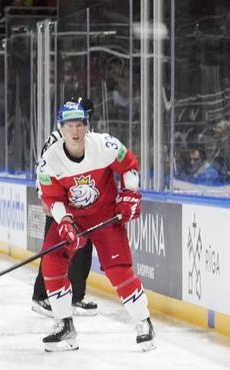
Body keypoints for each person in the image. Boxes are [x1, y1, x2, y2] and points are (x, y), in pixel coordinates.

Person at [37, 99, 153, 352]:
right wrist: (65, 223)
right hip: (74, 218)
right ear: (61, 129)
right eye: (69, 126)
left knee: (118, 269)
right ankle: (64, 326)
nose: (75, 131)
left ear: (87, 126)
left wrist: (130, 194)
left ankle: (144, 322)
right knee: (52, 260)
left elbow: (129, 166)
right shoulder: (49, 161)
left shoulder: (105, 145)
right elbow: (52, 198)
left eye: (80, 125)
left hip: (105, 215)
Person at [31, 95, 99, 319]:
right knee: (54, 250)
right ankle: (41, 296)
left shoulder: (89, 141)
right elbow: (42, 171)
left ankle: (76, 296)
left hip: (82, 206)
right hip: (59, 203)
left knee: (83, 249)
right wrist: (45, 197)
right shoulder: (55, 140)